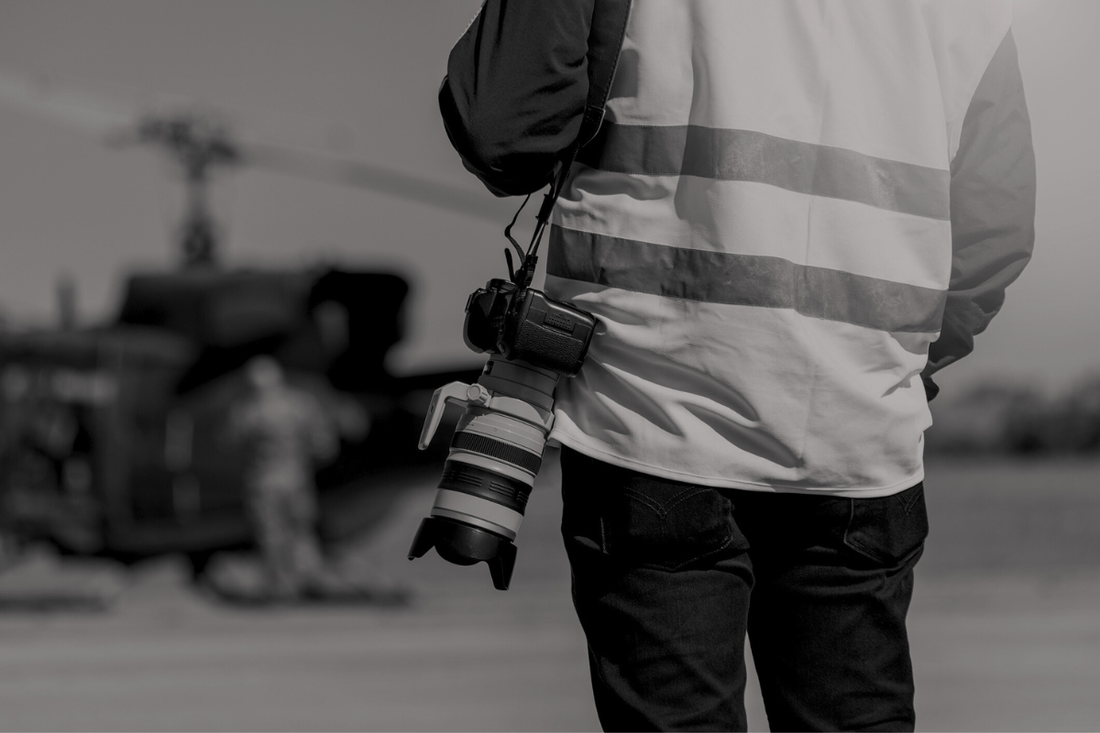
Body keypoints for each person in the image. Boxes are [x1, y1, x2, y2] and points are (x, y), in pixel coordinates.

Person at [440, 1, 1035, 730]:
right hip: (857, 432)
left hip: (652, 418)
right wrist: (894, 362)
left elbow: (500, 128)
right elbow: (996, 225)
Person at [228, 355, 337, 601]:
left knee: (273, 533)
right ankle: (310, 579)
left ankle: (282, 586)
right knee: (302, 529)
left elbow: (232, 443)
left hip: (264, 480)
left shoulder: (248, 411)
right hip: (297, 477)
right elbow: (324, 445)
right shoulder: (301, 404)